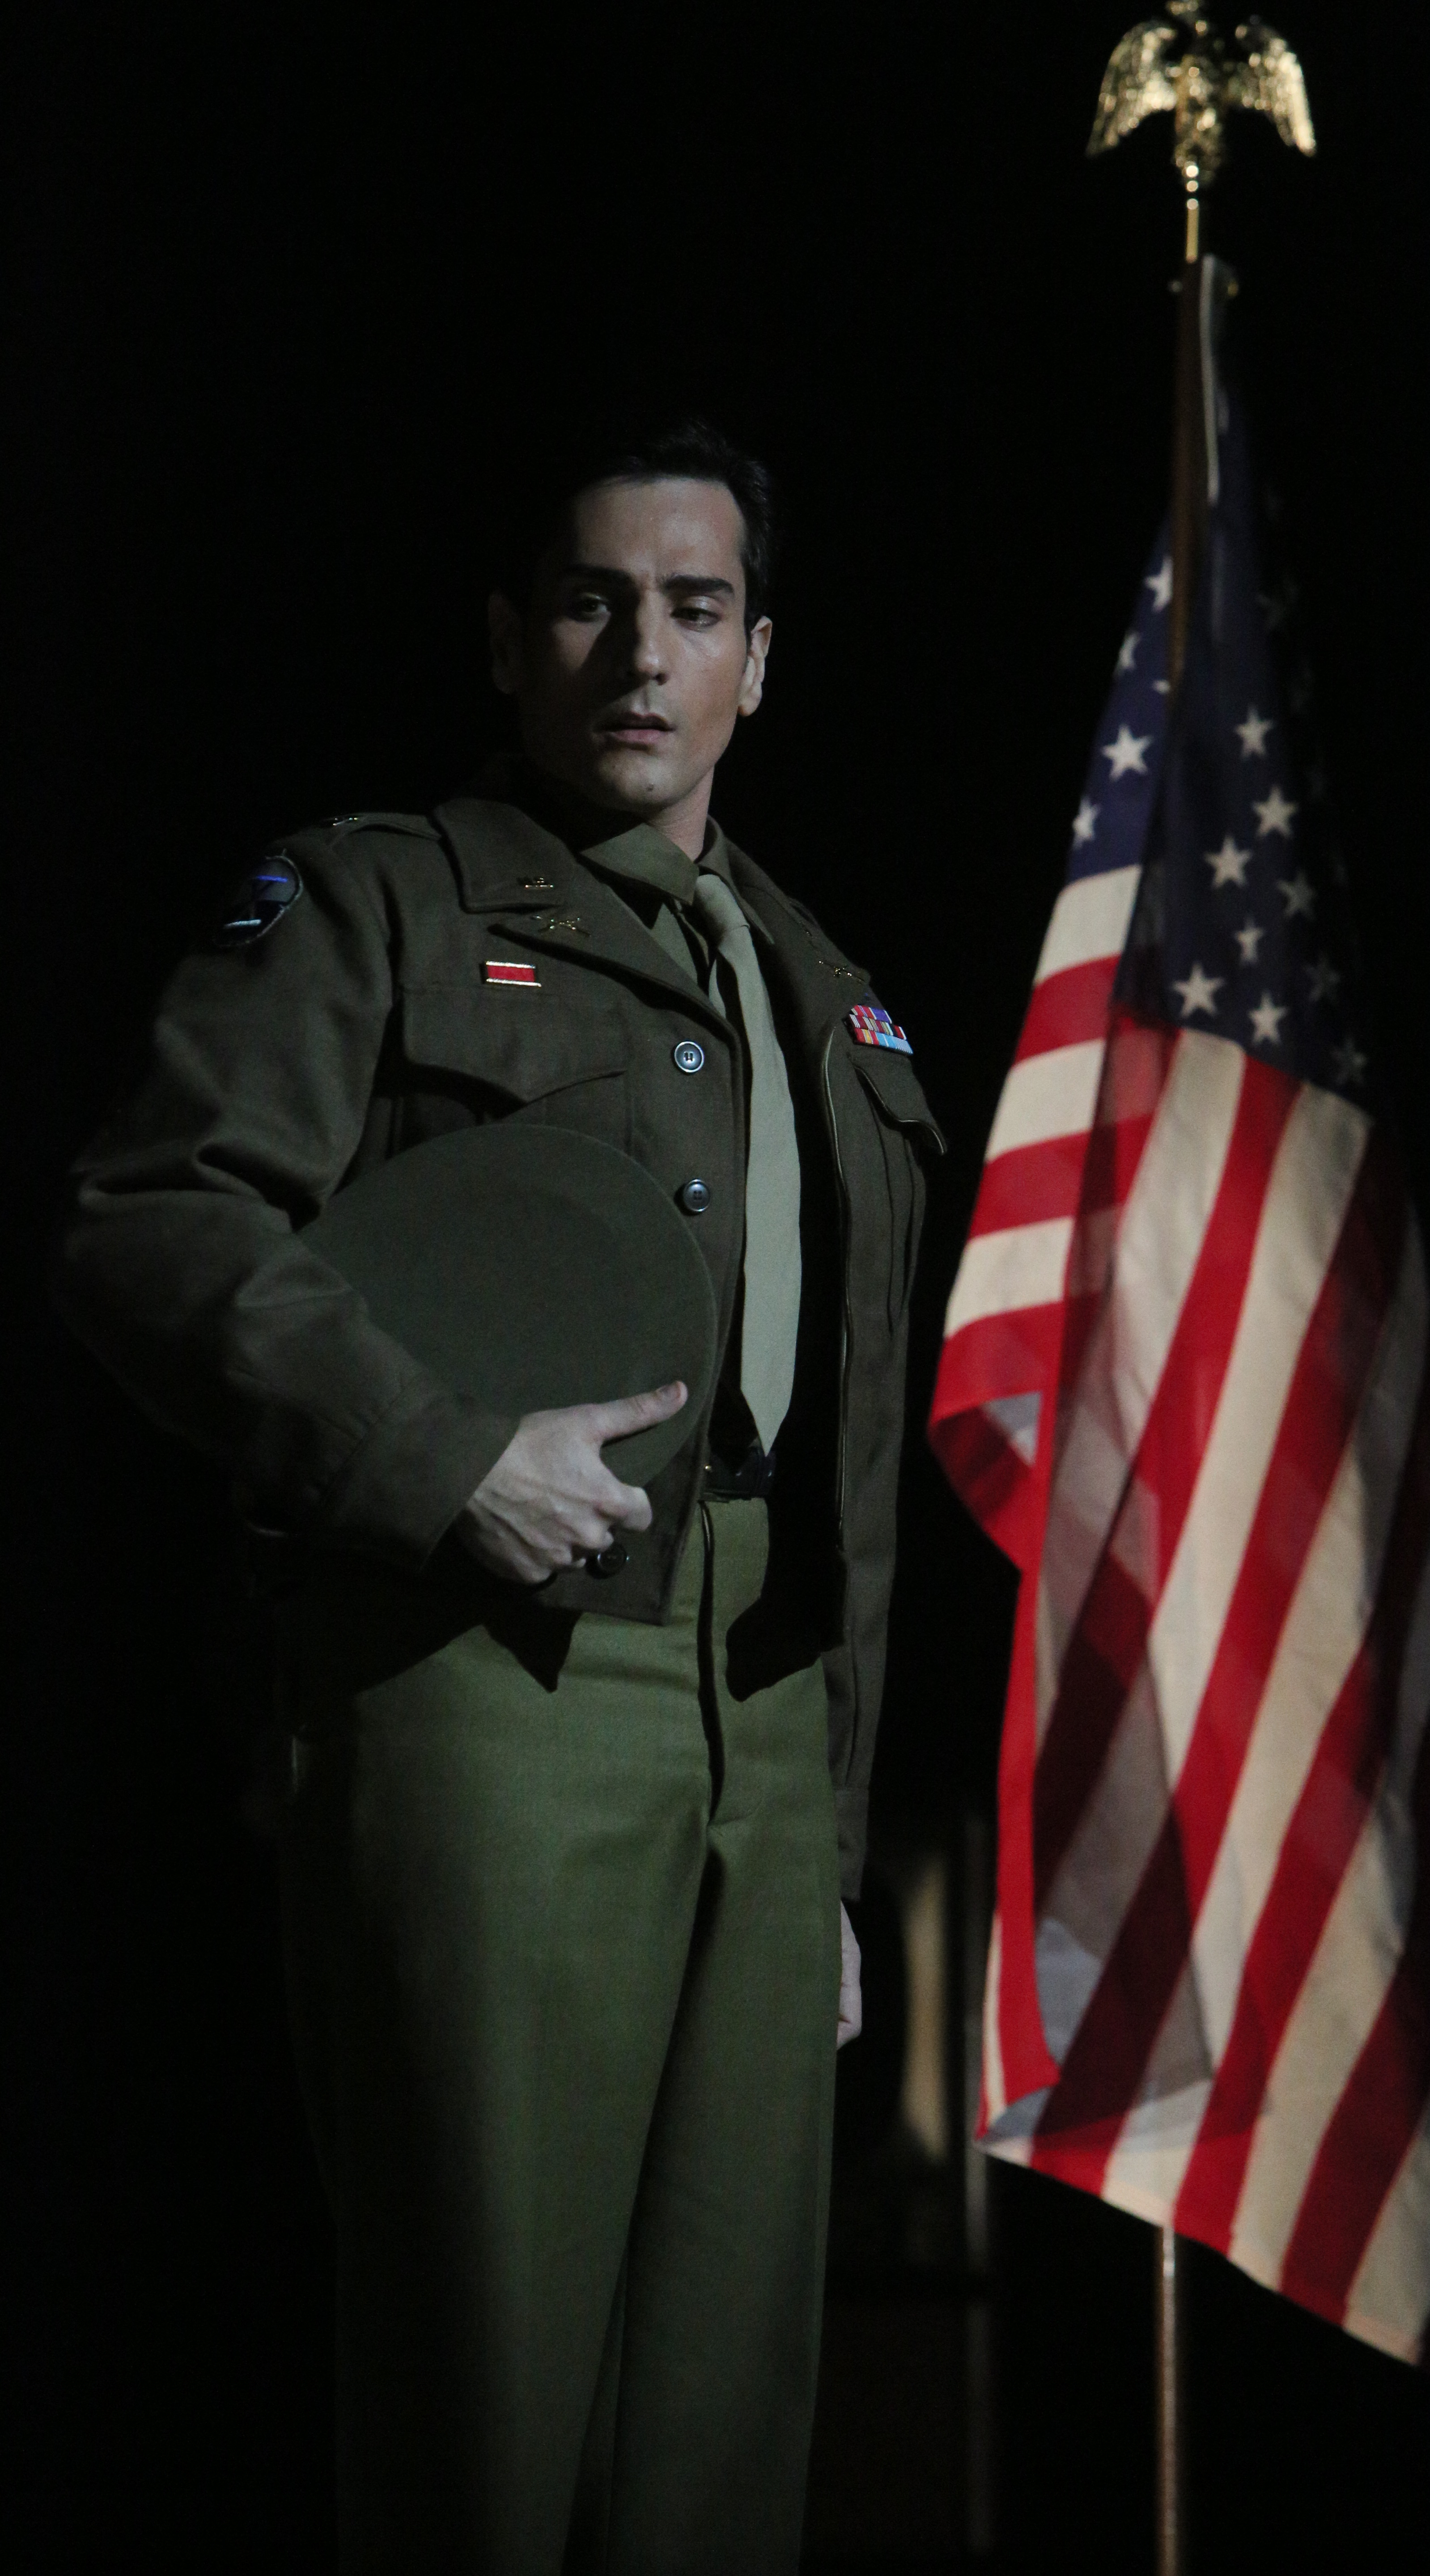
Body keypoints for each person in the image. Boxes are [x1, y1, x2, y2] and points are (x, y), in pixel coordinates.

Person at [53, 417, 943, 2575]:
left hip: (767, 1725)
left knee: (724, 2450)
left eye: (696, 610)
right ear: (506, 639)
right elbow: (152, 1224)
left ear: (759, 662)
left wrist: (825, 1841)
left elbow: (851, 1453)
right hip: (494, 1685)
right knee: (487, 2405)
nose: (642, 654)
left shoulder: (834, 999)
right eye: (590, 602)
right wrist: (440, 1455)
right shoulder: (383, 899)